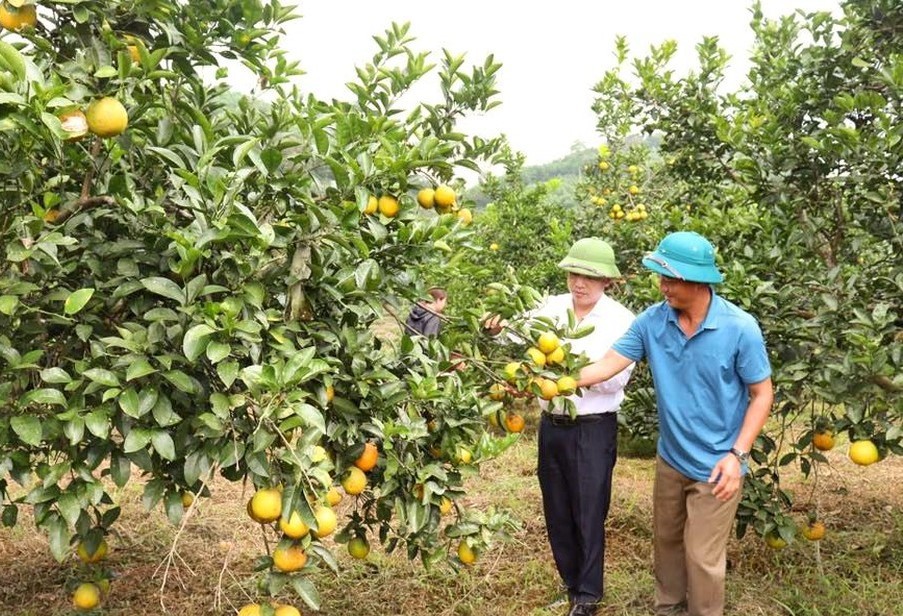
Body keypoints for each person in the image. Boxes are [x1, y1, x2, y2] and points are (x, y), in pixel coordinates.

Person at [577, 231, 774, 616]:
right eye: (661, 278)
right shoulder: (653, 321)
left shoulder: (739, 327)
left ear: (697, 281)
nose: (662, 287)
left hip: (719, 464)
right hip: (671, 459)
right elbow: (605, 365)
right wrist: (556, 379)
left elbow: (762, 394)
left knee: (702, 556)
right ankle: (667, 609)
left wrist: (738, 454)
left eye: (670, 279)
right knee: (667, 544)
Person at [490, 238, 635, 616]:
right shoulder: (550, 307)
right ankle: (571, 585)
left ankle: (588, 596)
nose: (579, 283)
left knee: (588, 510)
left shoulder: (620, 320)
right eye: (574, 274)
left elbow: (614, 380)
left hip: (592, 427)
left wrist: (564, 371)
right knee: (556, 508)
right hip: (552, 424)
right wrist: (493, 329)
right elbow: (514, 335)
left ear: (606, 281)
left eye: (588, 276)